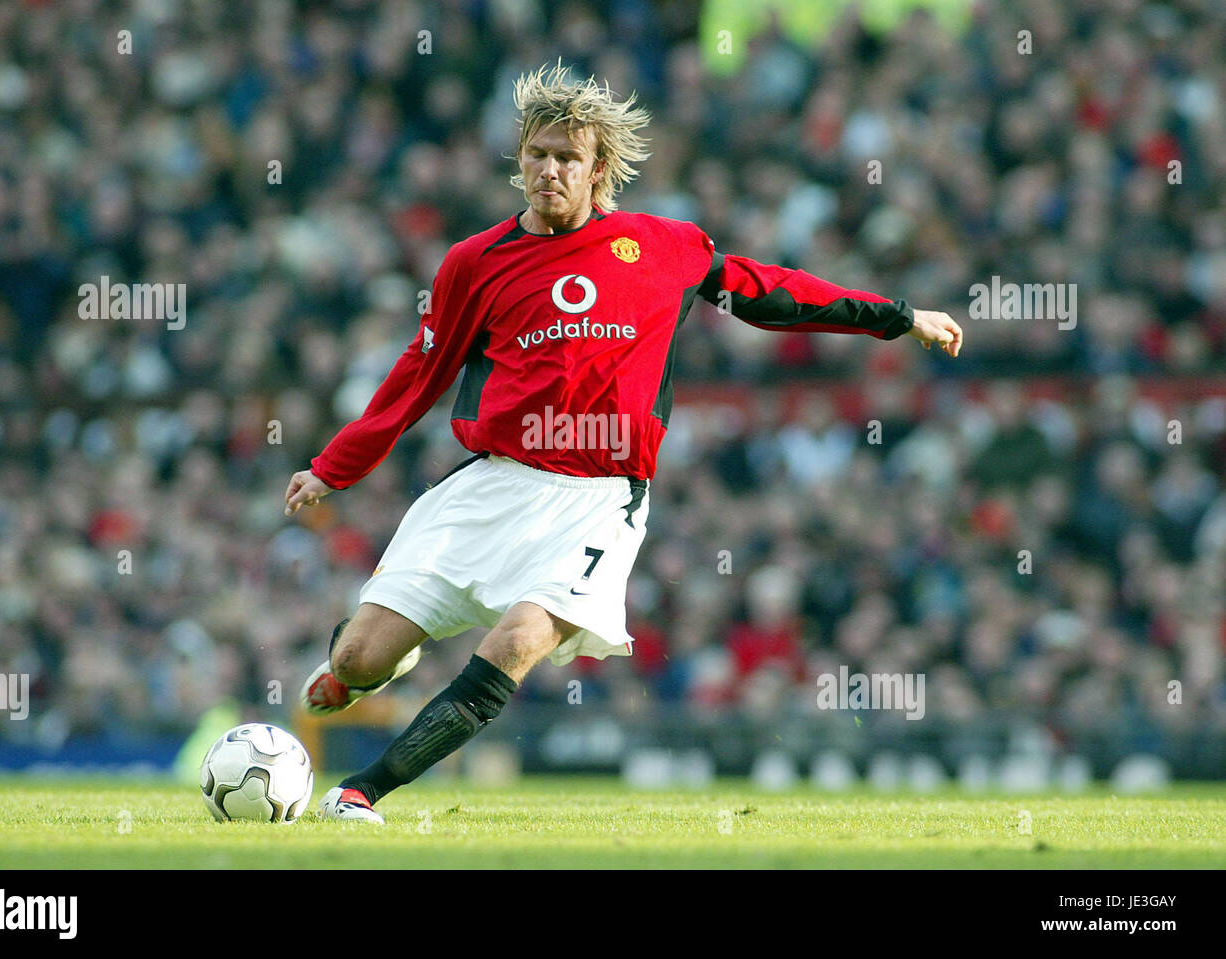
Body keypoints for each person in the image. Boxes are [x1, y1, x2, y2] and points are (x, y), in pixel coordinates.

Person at [283, 63, 963, 822]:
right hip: (493, 480)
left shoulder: (665, 246)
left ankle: (362, 790)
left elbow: (772, 292)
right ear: (519, 160)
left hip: (598, 500)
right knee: (358, 658)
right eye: (537, 154)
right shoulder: (474, 262)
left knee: (516, 643)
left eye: (567, 157)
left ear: (599, 169)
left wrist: (897, 316)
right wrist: (332, 467)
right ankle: (365, 667)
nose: (549, 170)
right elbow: (421, 370)